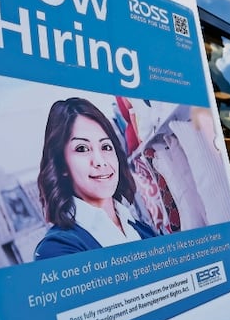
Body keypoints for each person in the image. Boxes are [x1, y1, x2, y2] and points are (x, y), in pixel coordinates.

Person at [34, 97, 157, 260]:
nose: (100, 162)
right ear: (61, 165)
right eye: (82, 148)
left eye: (106, 146)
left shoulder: (140, 228)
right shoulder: (55, 251)